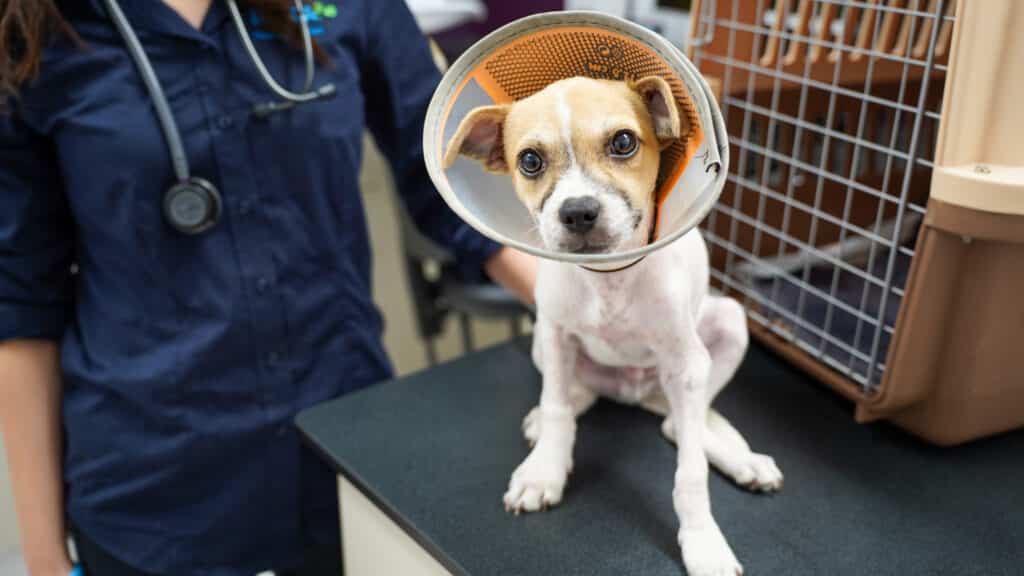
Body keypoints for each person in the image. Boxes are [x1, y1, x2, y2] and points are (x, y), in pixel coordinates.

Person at [0, 1, 537, 574]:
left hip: (342, 449)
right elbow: (21, 305)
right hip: (153, 490)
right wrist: (43, 554)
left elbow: (450, 187)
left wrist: (597, 321)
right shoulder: (40, 30)